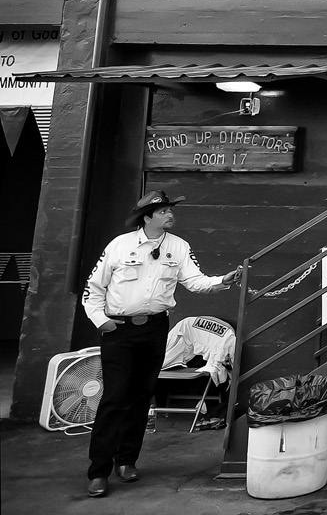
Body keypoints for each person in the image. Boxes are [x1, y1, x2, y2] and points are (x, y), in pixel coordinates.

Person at [82, 191, 240, 498]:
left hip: (155, 330)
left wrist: (224, 280)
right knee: (114, 398)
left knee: (141, 397)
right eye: (164, 211)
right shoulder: (119, 245)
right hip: (119, 331)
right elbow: (94, 287)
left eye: (170, 210)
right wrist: (102, 321)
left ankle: (127, 461)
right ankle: (98, 471)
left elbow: (194, 280)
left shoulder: (178, 246)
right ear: (148, 217)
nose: (170, 214)